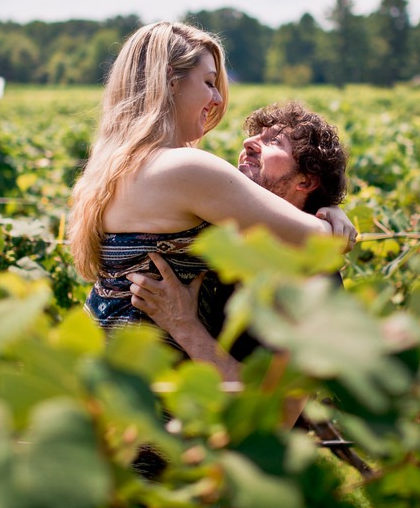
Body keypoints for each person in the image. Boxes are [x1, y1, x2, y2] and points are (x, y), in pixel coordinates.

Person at [68, 22, 357, 370]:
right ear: (170, 80)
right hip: (156, 390)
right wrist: (331, 217)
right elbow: (321, 244)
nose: (218, 98)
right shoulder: (185, 168)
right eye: (208, 82)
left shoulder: (107, 170)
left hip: (107, 370)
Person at [123, 101, 349, 382]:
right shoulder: (224, 244)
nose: (248, 142)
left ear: (305, 182)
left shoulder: (313, 282)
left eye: (274, 141)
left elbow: (277, 410)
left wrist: (185, 327)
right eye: (255, 135)